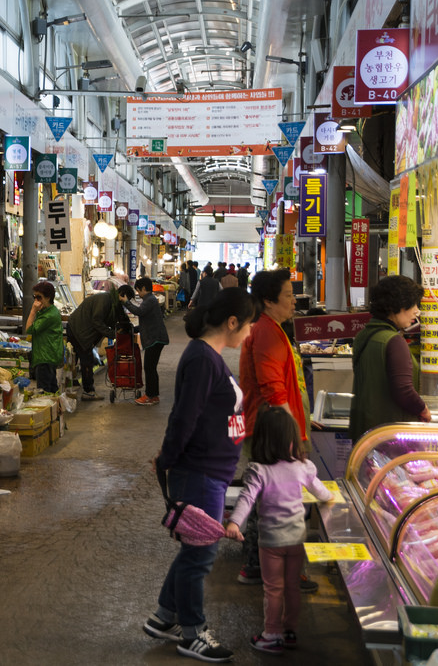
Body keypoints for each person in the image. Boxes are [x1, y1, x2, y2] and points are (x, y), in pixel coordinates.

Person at [144, 287, 256, 663]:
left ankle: (164, 616)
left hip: (210, 470)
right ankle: (192, 633)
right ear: (232, 322)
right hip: (199, 472)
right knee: (200, 556)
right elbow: (184, 416)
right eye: (249, 325)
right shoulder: (203, 360)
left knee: (194, 550)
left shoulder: (208, 356)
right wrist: (168, 458)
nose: (250, 333)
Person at [224, 406, 334, 655]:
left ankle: (271, 635)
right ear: (291, 437)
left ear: (262, 439)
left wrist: (234, 523)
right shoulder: (302, 467)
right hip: (296, 539)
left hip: (271, 543)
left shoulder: (258, 470)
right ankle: (290, 631)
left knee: (273, 588)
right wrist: (332, 499)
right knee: (292, 587)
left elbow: (246, 499)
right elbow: (322, 493)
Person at [237, 268, 316, 589]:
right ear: (268, 302)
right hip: (273, 432)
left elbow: (286, 385)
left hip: (271, 426)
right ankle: (280, 573)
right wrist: (290, 437)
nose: (294, 301)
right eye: (287, 296)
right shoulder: (268, 332)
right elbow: (273, 389)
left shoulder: (274, 328)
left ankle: (257, 565)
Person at [349, 276, 431, 441]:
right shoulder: (393, 341)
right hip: (390, 437)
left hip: (366, 434)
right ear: (398, 305)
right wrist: (424, 409)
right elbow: (404, 391)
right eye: (413, 304)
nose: (417, 311)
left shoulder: (364, 336)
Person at [66, 284, 134, 401]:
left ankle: (69, 389)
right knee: (86, 360)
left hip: (81, 330)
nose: (125, 303)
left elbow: (116, 318)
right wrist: (113, 334)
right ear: (122, 295)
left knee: (80, 360)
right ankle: (88, 392)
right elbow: (97, 320)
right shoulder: (105, 300)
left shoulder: (113, 302)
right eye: (126, 299)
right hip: (78, 330)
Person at [122, 277, 169, 405]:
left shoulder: (150, 299)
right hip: (155, 338)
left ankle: (150, 395)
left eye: (138, 291)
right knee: (151, 368)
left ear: (143, 289)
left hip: (155, 339)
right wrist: (134, 328)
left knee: (149, 367)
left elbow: (139, 312)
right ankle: (153, 396)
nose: (138, 294)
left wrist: (126, 302)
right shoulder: (150, 299)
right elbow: (147, 320)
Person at [25, 281, 64, 394]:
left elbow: (29, 329)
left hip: (45, 357)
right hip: (48, 356)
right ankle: (56, 410)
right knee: (52, 390)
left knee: (44, 393)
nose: (36, 301)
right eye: (34, 297)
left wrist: (33, 311)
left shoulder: (49, 315)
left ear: (48, 298)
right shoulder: (48, 311)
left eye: (39, 297)